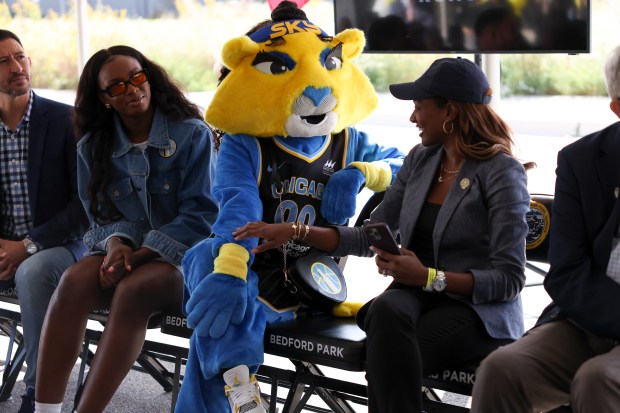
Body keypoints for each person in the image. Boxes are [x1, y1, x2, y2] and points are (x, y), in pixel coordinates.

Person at [234, 57, 532, 412]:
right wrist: (296, 230)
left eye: (419, 108)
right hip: (415, 297)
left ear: (449, 112)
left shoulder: (502, 172)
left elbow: (509, 279)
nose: (412, 118)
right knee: (387, 312)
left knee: (387, 349)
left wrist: (428, 277)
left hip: (476, 311)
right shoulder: (421, 160)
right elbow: (366, 237)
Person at [177, 1, 403, 412]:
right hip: (250, 270)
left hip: (311, 280)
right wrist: (230, 268)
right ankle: (241, 389)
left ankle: (237, 386)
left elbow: (404, 163)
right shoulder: (244, 143)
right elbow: (238, 207)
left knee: (211, 299)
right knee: (214, 264)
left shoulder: (348, 139)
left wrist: (359, 172)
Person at [33, 45, 218, 413]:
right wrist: (116, 243)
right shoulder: (93, 147)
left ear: (148, 76)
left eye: (136, 77)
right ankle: (46, 410)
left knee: (134, 288)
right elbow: (99, 215)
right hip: (130, 255)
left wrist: (140, 252)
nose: (132, 89)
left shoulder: (191, 134)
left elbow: (201, 216)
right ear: (103, 99)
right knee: (73, 280)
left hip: (186, 262)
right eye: (117, 86)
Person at [470, 45, 620, 413]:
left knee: (597, 380)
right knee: (501, 369)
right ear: (618, 107)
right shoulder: (582, 161)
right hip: (588, 319)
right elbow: (566, 271)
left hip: (602, 353)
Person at [0, 29, 89, 413]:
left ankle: (37, 394)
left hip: (61, 246)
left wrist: (28, 245)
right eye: (3, 61)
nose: (18, 67)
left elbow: (84, 205)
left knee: (33, 272)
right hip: (5, 247)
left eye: (21, 57)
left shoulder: (65, 120)